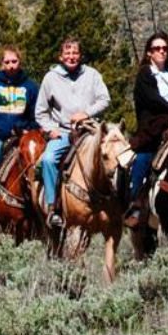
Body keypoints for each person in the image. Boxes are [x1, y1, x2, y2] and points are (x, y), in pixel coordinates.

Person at [35, 37, 110, 229]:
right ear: (61, 56)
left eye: (75, 53)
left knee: (115, 155)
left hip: (90, 128)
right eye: (67, 53)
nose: (71, 56)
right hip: (63, 131)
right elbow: (40, 111)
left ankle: (117, 202)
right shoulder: (50, 78)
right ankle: (53, 207)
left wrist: (86, 113)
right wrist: (51, 130)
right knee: (49, 159)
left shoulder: (92, 75)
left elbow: (104, 99)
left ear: (80, 55)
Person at [124, 31, 168, 228]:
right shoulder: (145, 76)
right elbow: (154, 101)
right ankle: (136, 203)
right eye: (157, 48)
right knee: (144, 157)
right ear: (149, 53)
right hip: (154, 125)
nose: (162, 52)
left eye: (165, 48)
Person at [0, 44, 40, 225]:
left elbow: (37, 117)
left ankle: (46, 221)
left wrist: (26, 128)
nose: (11, 65)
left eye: (14, 61)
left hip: (24, 137)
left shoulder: (31, 87)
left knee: (40, 173)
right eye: (7, 62)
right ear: (1, 64)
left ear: (20, 62)